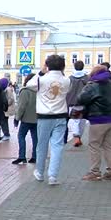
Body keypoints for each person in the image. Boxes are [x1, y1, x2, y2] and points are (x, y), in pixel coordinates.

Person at [34, 55, 71, 185]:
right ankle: (53, 176)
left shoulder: (42, 79)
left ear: (47, 65)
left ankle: (39, 172)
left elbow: (28, 85)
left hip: (44, 117)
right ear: (63, 66)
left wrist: (41, 71)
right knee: (57, 146)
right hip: (61, 116)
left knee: (42, 145)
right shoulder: (66, 80)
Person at [77, 64, 111, 181]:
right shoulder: (110, 84)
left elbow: (81, 99)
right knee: (108, 145)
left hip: (98, 119)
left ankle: (95, 172)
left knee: (94, 145)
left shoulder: (93, 85)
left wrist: (87, 87)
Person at [11, 73, 39, 165]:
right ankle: (35, 156)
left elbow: (21, 107)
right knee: (35, 138)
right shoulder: (40, 90)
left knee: (21, 136)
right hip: (37, 118)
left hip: (26, 118)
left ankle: (22, 156)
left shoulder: (25, 91)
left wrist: (17, 118)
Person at [66, 60, 89, 147]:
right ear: (83, 67)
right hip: (84, 103)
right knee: (82, 121)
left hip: (73, 102)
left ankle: (76, 137)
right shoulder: (87, 78)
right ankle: (79, 137)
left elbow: (67, 91)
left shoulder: (70, 78)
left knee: (75, 121)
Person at [0, 77, 15, 142]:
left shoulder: (8, 89)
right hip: (4, 109)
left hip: (6, 109)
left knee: (3, 122)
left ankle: (6, 134)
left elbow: (11, 99)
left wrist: (5, 104)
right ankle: (6, 134)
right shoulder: (4, 89)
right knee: (3, 122)